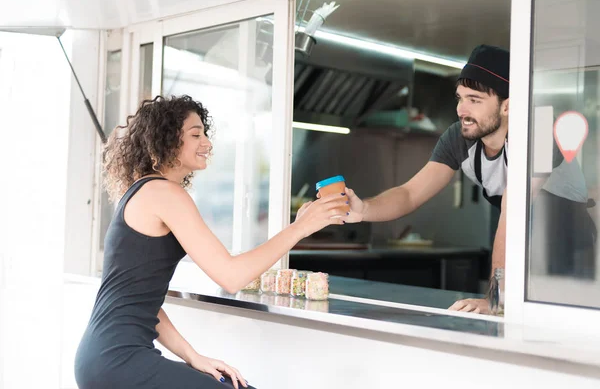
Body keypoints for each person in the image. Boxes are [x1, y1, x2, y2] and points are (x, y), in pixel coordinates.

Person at [74, 95, 348, 389]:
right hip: (119, 359)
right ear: (166, 140)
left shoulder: (145, 191)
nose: (207, 143)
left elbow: (141, 302)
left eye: (205, 133)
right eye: (195, 134)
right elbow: (231, 276)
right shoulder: (165, 194)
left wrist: (193, 356)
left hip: (104, 357)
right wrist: (301, 227)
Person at [341, 44, 594, 314]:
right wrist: (364, 209)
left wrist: (497, 300)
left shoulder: (540, 131)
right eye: (460, 98)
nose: (462, 109)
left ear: (507, 105)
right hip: (518, 249)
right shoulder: (458, 138)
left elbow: (513, 210)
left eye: (474, 100)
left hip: (570, 250)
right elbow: (410, 193)